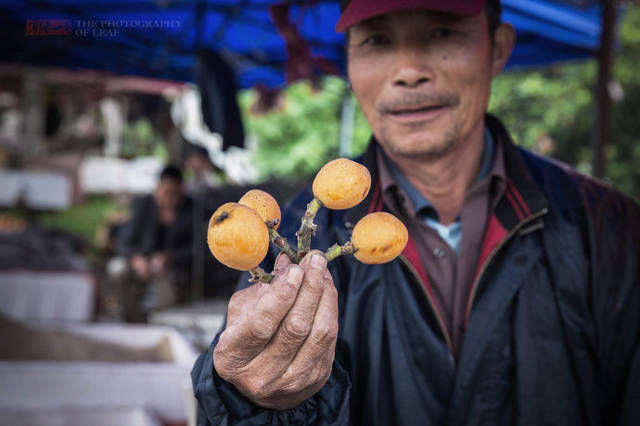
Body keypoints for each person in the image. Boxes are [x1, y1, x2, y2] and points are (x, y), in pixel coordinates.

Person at [191, 1, 640, 424]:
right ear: (348, 61)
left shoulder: (610, 232)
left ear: (498, 47)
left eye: (442, 31)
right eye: (376, 41)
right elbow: (238, 394)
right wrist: (249, 398)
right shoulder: (285, 240)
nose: (408, 72)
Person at [108, 164, 193, 321]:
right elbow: (124, 240)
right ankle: (132, 320)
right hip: (141, 261)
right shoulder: (144, 205)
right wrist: (136, 259)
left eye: (174, 193)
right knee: (116, 269)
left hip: (170, 270)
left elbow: (194, 249)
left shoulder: (190, 210)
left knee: (165, 299)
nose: (170, 197)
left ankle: (152, 323)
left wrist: (168, 258)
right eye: (167, 192)